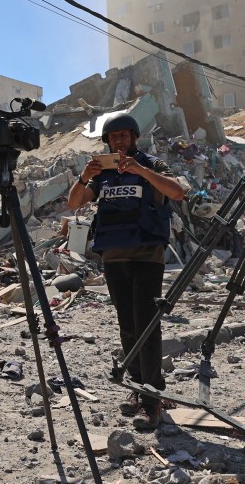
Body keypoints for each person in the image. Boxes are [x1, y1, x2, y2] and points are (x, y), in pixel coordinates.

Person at [67, 112, 186, 429]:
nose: (119, 140)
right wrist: (84, 176)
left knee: (147, 325)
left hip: (147, 256)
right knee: (128, 326)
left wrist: (140, 171)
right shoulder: (102, 176)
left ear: (134, 137)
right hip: (115, 257)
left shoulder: (152, 165)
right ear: (107, 141)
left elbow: (178, 192)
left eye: (124, 135)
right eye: (113, 136)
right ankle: (137, 388)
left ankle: (152, 399)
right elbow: (74, 203)